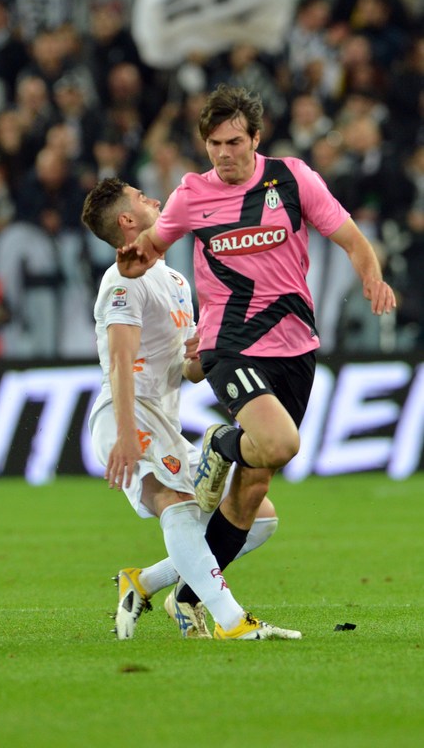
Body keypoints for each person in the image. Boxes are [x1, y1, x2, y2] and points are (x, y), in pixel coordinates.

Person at [117, 84, 396, 619]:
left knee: (253, 486)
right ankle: (223, 441)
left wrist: (373, 278)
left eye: (234, 142)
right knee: (278, 443)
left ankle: (186, 596)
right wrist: (136, 260)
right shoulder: (190, 196)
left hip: (295, 344)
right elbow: (152, 246)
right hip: (230, 344)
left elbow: (354, 240)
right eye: (214, 144)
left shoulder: (291, 178)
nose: (224, 154)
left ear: (256, 139)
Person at [81, 176, 302, 641]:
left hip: (164, 418)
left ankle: (143, 582)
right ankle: (231, 621)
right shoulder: (122, 280)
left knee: (260, 517)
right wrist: (124, 433)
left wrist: (200, 358)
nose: (155, 200)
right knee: (176, 504)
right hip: (126, 413)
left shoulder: (176, 279)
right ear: (127, 221)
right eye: (142, 198)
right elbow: (121, 362)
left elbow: (187, 370)